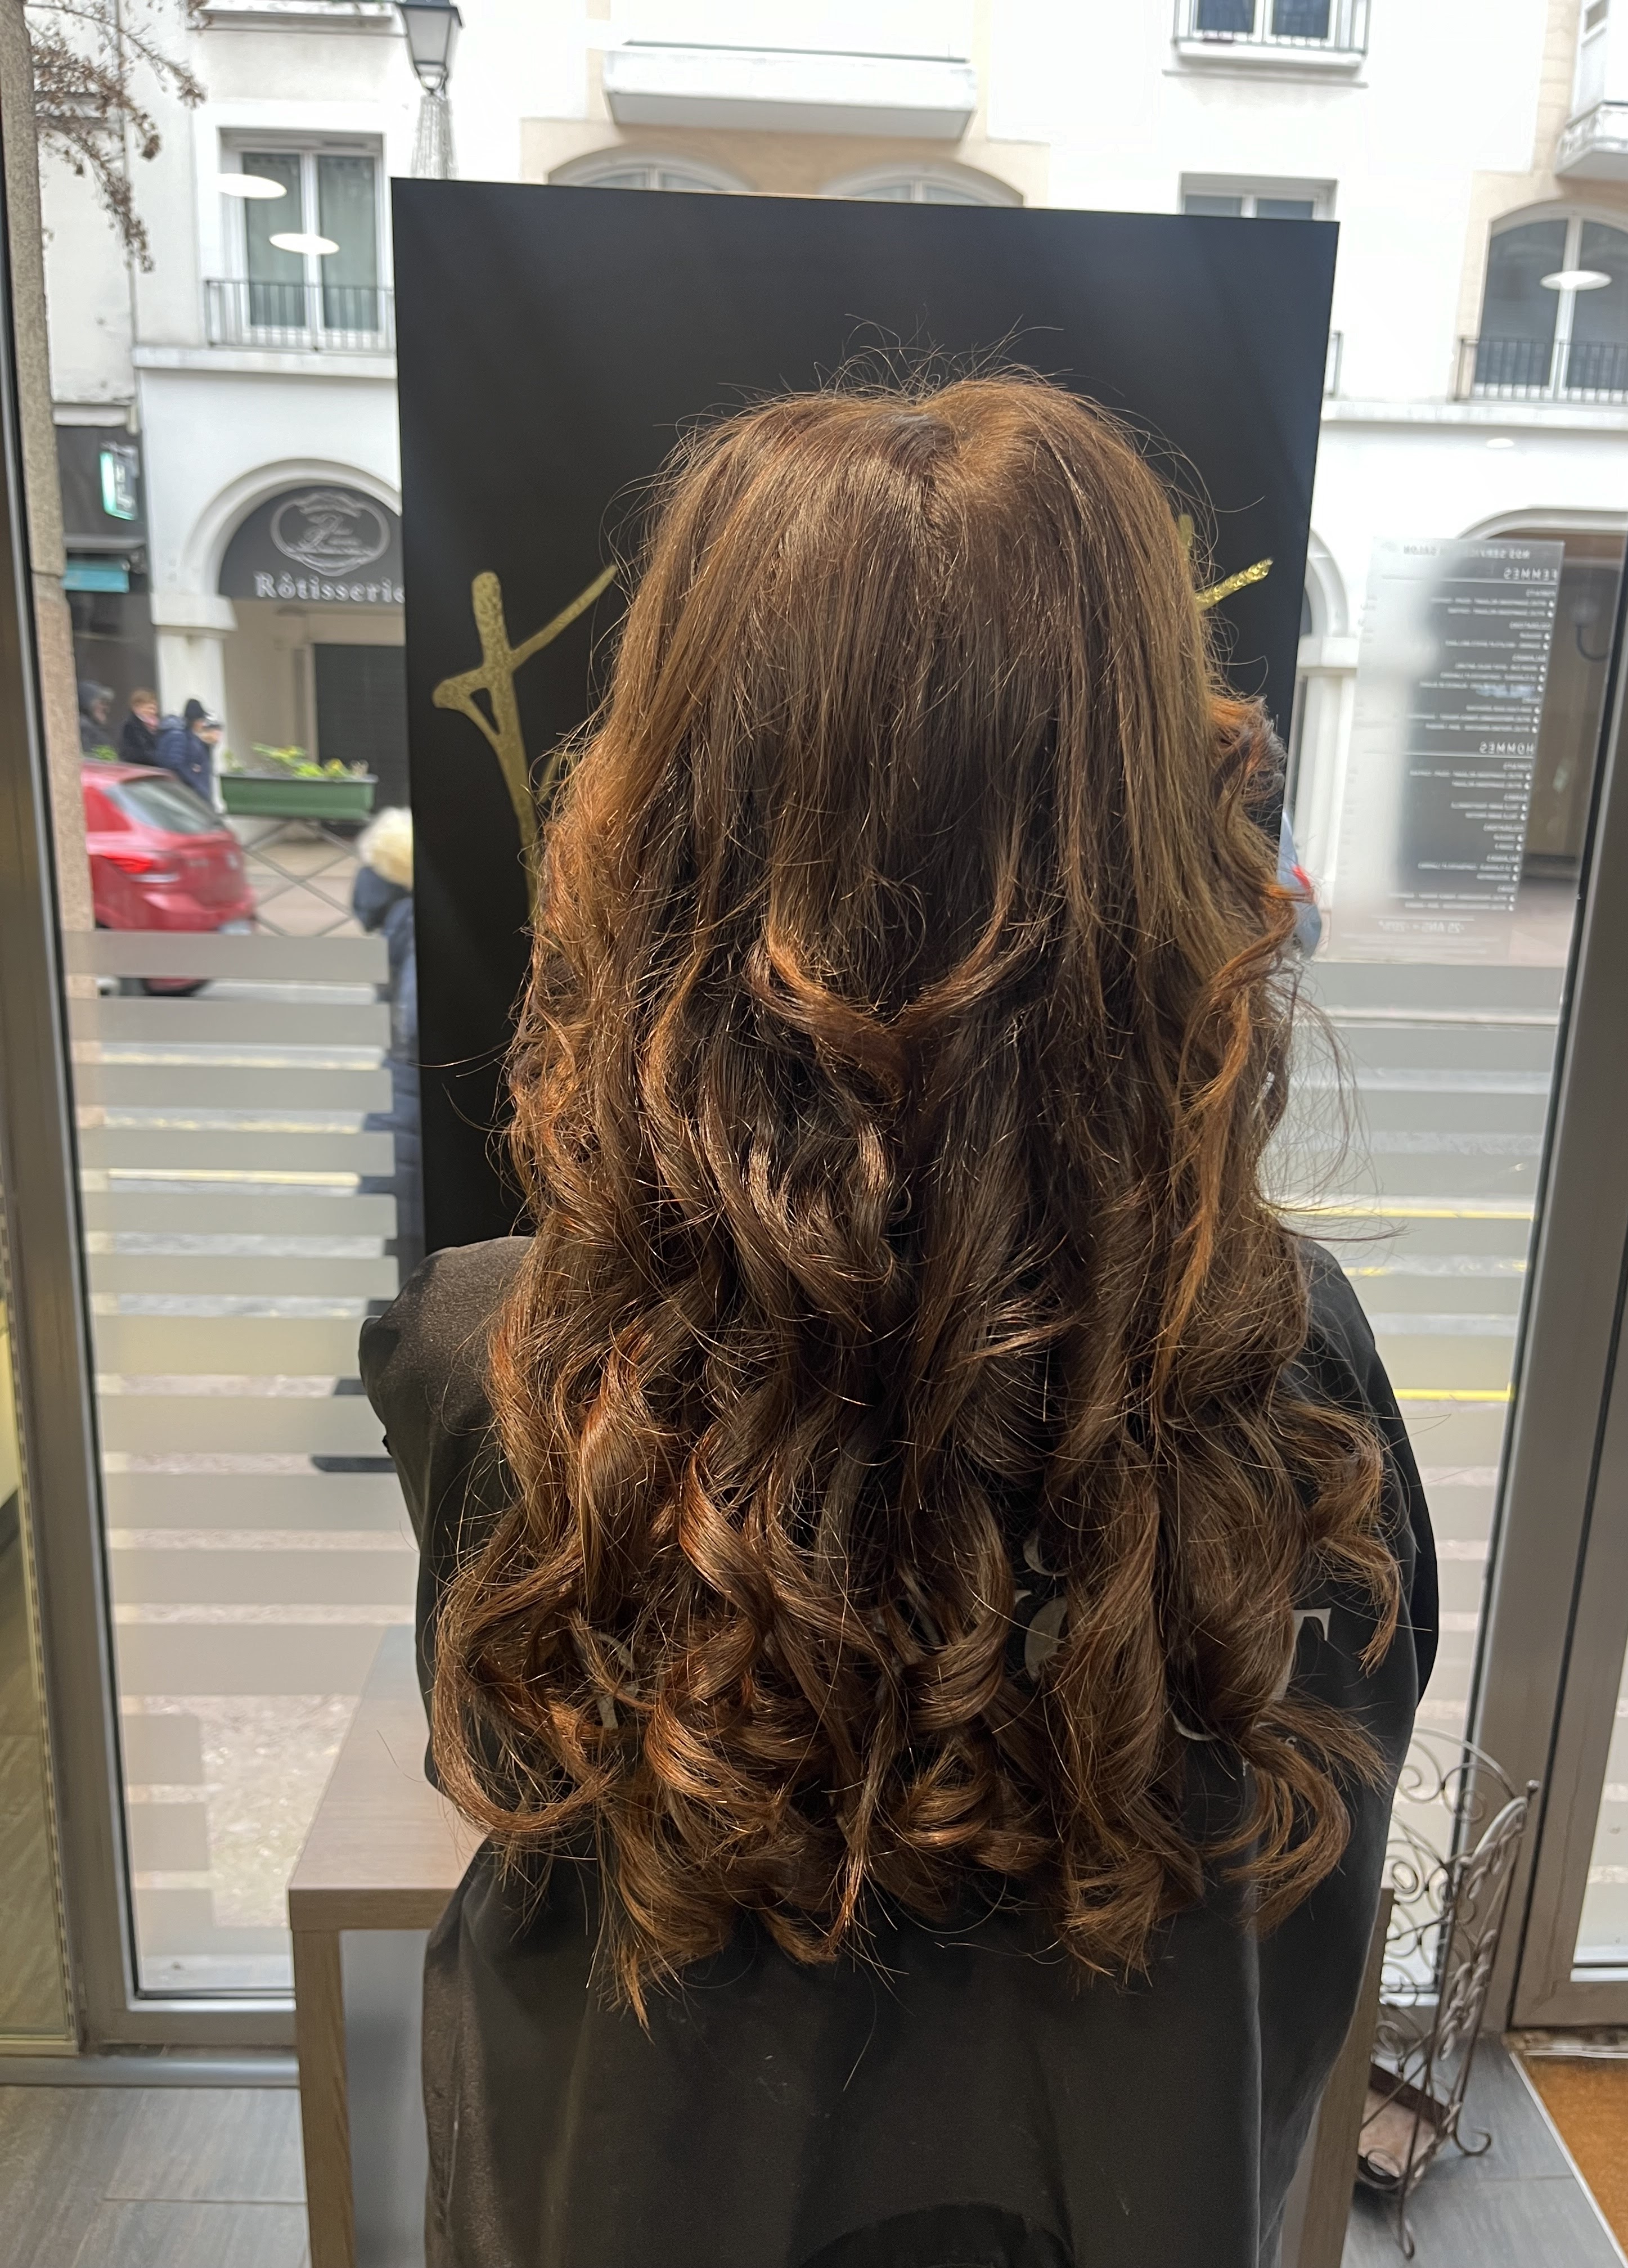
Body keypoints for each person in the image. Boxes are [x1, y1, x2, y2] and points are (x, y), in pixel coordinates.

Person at [359, 379, 1436, 2268]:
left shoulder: (493, 1361)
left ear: (664, 816)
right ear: (1157, 822)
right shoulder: (1298, 1381)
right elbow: (1296, 1921)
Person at [353, 807, 422, 1285]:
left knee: (403, 1273)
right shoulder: (420, 919)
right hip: (416, 1117)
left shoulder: (395, 914)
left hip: (397, 1106)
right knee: (417, 1281)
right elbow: (423, 1022)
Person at [150, 699, 220, 806]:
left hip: (193, 793)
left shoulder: (188, 736)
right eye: (201, 720)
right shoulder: (179, 736)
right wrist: (196, 784)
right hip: (188, 794)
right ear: (195, 720)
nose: (202, 724)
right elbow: (176, 765)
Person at [119, 687, 159, 768]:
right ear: (137, 708)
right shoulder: (131, 726)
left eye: (154, 708)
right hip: (137, 769)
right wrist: (159, 758)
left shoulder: (156, 726)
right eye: (150, 708)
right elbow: (135, 753)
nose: (153, 712)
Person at [78, 678, 115, 757]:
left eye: (107, 704)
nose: (107, 709)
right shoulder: (84, 729)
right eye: (103, 703)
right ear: (87, 703)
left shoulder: (93, 729)